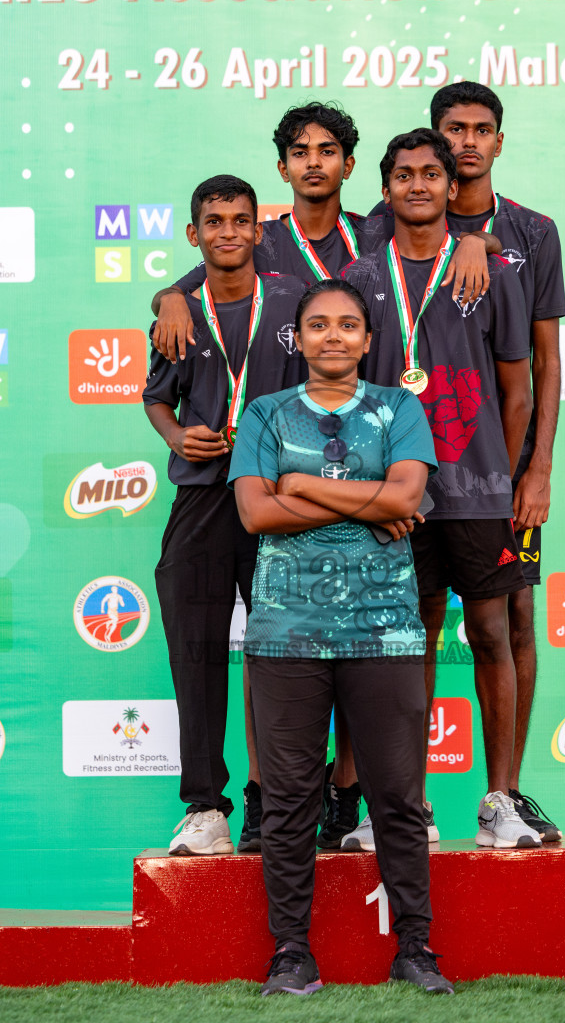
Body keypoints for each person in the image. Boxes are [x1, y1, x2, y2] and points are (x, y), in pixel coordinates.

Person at [147, 101, 499, 854]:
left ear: (348, 163)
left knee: (346, 640)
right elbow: (200, 277)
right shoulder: (266, 235)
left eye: (328, 150)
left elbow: (436, 227)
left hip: (347, 458)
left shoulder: (371, 231)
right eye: (300, 152)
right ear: (283, 167)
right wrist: (167, 297)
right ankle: (239, 803)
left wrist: (476, 239)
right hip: (235, 479)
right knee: (248, 649)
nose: (314, 162)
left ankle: (348, 796)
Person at [229, 278, 453, 996]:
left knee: (398, 797)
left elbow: (407, 497)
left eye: (348, 324)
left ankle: (415, 949)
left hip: (384, 632)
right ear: (298, 339)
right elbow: (256, 515)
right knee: (290, 800)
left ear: (366, 339)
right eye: (318, 324)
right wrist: (370, 502)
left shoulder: (398, 408)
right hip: (285, 634)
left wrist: (298, 485)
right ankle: (291, 953)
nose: (333, 335)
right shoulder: (265, 413)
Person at [342, 128, 539, 850]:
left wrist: (501, 476)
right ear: (385, 190)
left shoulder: (494, 274)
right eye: (404, 175)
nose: (418, 185)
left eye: (431, 174)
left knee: (491, 634)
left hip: (478, 492)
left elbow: (516, 392)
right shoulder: (361, 279)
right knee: (408, 644)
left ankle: (500, 801)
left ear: (452, 189)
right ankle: (406, 807)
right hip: (394, 499)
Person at [142, 174, 307, 855]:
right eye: (214, 221)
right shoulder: (178, 314)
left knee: (285, 654)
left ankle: (275, 803)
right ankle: (205, 806)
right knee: (195, 649)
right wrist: (178, 437)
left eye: (241, 220)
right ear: (194, 234)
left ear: (258, 230)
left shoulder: (295, 301)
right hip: (203, 497)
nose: (228, 232)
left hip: (277, 498)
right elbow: (157, 398)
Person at [429, 82, 565, 840]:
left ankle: (503, 796)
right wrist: (169, 294)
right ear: (435, 137)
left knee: (515, 615)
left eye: (482, 129)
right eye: (454, 129)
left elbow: (545, 362)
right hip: (419, 467)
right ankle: (397, 801)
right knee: (408, 626)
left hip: (504, 468)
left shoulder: (532, 231)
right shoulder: (399, 216)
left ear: (500, 142)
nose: (468, 142)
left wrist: (536, 469)